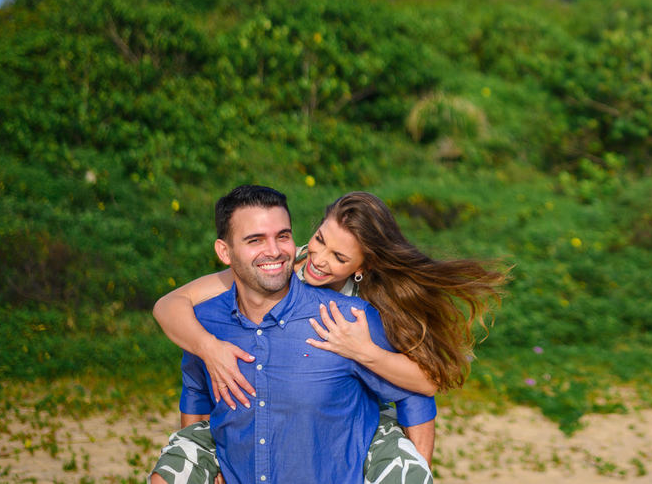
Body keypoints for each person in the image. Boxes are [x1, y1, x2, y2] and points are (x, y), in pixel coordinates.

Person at [150, 187, 507, 484]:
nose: (319, 259)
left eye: (339, 257)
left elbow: (422, 389)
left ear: (361, 267)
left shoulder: (366, 309)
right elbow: (171, 305)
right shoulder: (278, 263)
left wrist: (364, 351)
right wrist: (208, 347)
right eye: (319, 240)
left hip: (356, 411)